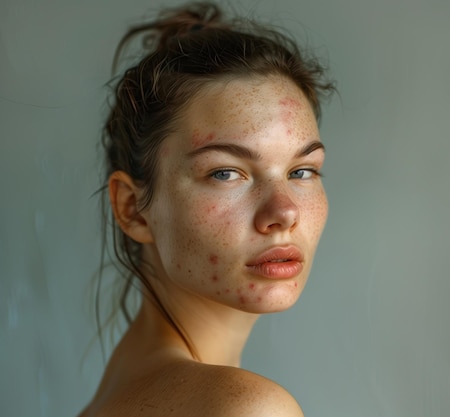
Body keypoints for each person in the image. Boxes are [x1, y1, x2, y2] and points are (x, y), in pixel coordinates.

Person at [79, 2, 334, 416]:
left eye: (302, 171)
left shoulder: (117, 393)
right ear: (134, 210)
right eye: (225, 173)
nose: (284, 212)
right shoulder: (245, 408)